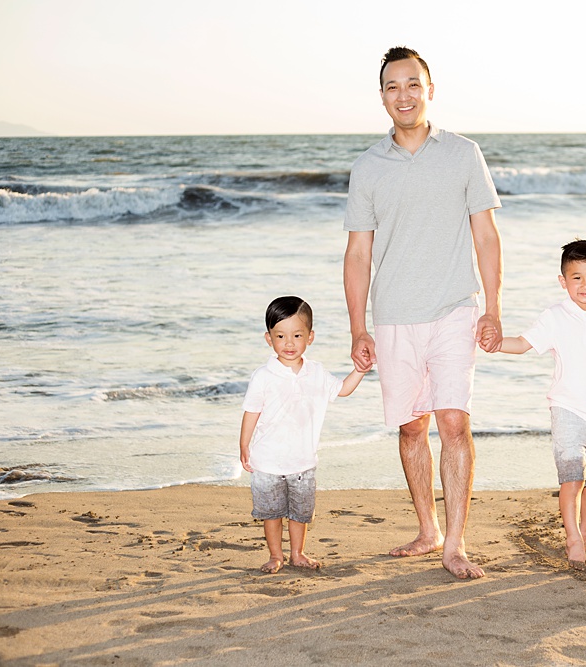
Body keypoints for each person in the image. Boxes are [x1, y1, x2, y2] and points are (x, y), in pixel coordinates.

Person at [342, 46, 503, 580]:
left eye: (413, 84)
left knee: (454, 421)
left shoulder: (463, 153)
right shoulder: (367, 168)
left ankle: (455, 544)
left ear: (430, 89)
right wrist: (358, 326)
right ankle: (428, 528)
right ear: (382, 96)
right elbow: (358, 252)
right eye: (393, 86)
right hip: (393, 317)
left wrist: (494, 308)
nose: (404, 95)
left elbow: (486, 234)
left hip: (456, 308)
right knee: (412, 429)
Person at [488, 240, 586, 571]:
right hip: (566, 409)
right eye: (577, 278)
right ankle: (573, 540)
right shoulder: (555, 316)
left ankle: (585, 533)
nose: (585, 285)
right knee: (572, 477)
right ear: (563, 281)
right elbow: (524, 344)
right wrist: (496, 344)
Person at [239, 296, 365, 574]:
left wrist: (361, 369)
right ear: (268, 338)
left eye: (297, 335)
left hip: (303, 462)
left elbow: (342, 390)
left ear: (310, 337)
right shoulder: (263, 376)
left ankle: (297, 553)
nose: (289, 343)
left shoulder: (316, 372)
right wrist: (244, 445)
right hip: (267, 462)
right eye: (280, 336)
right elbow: (251, 412)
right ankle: (275, 555)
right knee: (271, 514)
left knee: (299, 513)